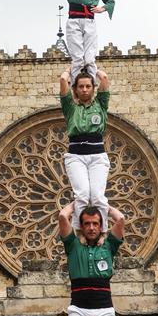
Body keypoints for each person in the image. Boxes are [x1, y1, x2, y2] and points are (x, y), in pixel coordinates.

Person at [57, 202, 127, 316]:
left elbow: (120, 219)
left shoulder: (108, 246)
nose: (91, 228)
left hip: (104, 309)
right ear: (81, 226)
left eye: (95, 223)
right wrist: (78, 203)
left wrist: (102, 205)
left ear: (101, 226)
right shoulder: (72, 244)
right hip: (78, 309)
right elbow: (63, 216)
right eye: (87, 224)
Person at [58, 67, 112, 223]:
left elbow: (105, 78)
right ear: (75, 89)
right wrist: (71, 68)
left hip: (97, 155)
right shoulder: (70, 107)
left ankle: (102, 231)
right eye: (80, 86)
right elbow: (62, 80)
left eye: (88, 86)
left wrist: (91, 67)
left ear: (93, 88)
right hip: (76, 156)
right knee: (81, 195)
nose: (84, 89)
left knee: (97, 196)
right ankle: (79, 232)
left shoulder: (100, 105)